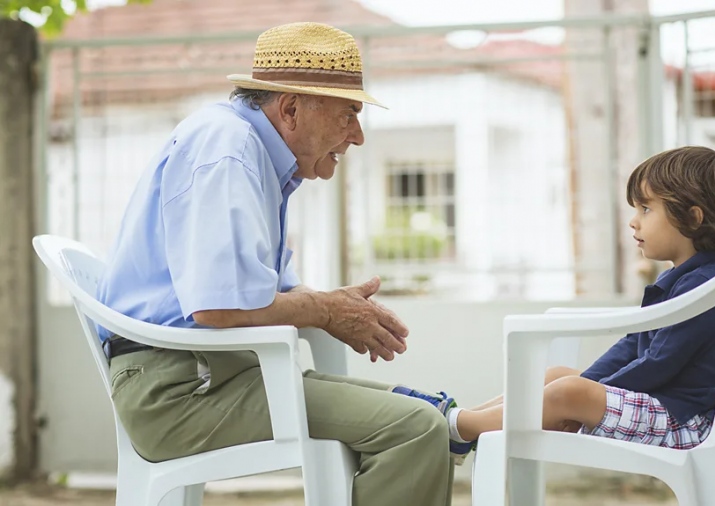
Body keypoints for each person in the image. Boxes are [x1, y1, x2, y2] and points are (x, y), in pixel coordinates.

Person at [97, 22, 457, 506]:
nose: (357, 136)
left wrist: (335, 306)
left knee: (421, 414)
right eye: (349, 114)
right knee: (415, 429)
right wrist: (326, 310)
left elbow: (274, 294)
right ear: (290, 109)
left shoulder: (251, 153)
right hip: (182, 392)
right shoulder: (229, 149)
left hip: (217, 376)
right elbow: (220, 308)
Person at [440, 146, 715, 457]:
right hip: (662, 408)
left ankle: (461, 427)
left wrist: (585, 399)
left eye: (646, 209)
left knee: (571, 391)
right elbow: (633, 345)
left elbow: (658, 363)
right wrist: (589, 387)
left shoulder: (707, 286)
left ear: (693, 218)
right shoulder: (685, 279)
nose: (634, 222)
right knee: (559, 377)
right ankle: (467, 419)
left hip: (683, 422)